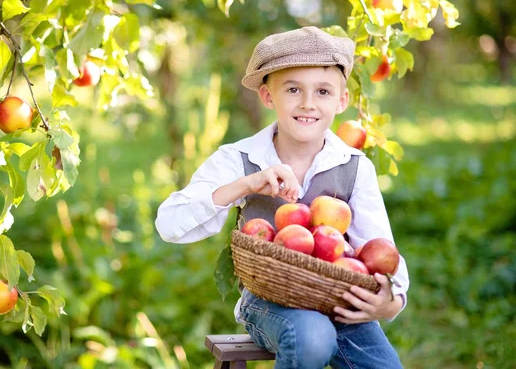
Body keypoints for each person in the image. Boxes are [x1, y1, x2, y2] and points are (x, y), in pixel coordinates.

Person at [155, 26, 409, 369]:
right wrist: (245, 185)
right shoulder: (239, 158)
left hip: (338, 301)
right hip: (268, 301)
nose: (308, 103)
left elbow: (381, 249)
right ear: (268, 96)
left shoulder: (354, 166)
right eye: (293, 90)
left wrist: (392, 299)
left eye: (322, 91)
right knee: (312, 336)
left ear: (342, 100)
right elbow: (169, 224)